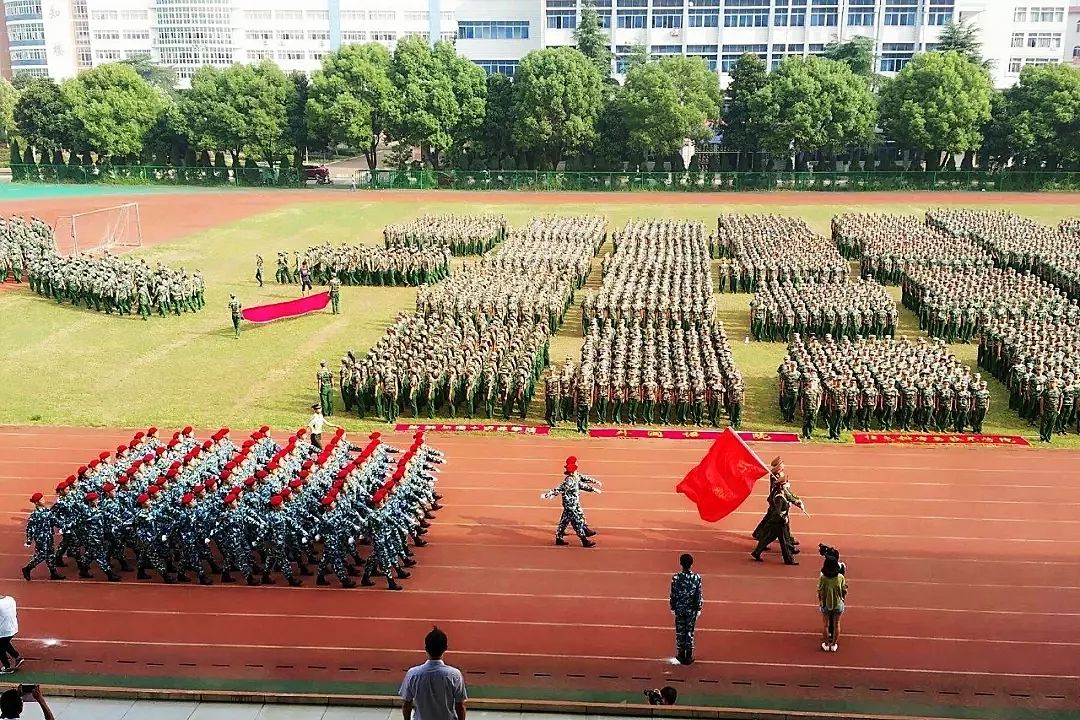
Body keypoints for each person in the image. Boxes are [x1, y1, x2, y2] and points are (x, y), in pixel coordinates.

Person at [400, 626, 467, 720]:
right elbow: (460, 706)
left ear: (426, 648)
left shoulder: (412, 674)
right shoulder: (455, 675)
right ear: (445, 648)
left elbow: (406, 704)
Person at [669, 553, 703, 665]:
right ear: (691, 564)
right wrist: (698, 608)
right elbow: (698, 594)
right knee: (689, 631)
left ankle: (680, 653)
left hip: (680, 608)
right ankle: (688, 655)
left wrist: (672, 607)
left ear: (680, 563)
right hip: (691, 609)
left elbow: (673, 594)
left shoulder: (676, 577)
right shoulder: (697, 578)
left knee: (680, 631)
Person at [817, 555, 847, 652]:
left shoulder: (823, 578)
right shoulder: (840, 577)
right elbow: (844, 590)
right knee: (836, 624)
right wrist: (843, 599)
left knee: (825, 625)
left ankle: (826, 644)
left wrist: (821, 601)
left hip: (826, 604)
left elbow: (820, 591)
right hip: (838, 604)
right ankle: (833, 645)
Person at [0, 595, 22, 675]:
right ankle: (17, 657)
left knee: (1, 647)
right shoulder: (10, 599)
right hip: (13, 627)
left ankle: (7, 667)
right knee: (4, 643)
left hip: (3, 630)